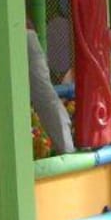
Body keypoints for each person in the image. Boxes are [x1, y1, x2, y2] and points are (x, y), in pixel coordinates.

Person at [26, 25, 74, 155]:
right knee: (45, 94)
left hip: (21, 35)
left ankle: (66, 149)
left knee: (44, 94)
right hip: (26, 34)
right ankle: (67, 149)